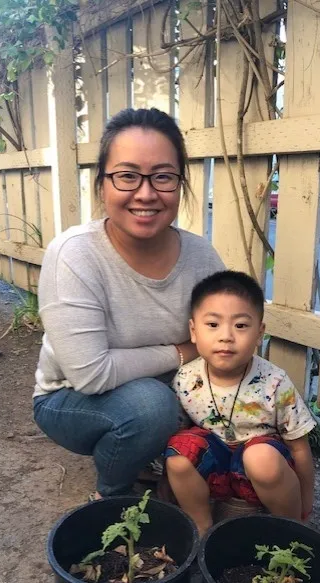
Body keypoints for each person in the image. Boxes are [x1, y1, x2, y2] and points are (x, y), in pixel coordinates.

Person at [33, 108, 224, 499]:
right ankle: (114, 495)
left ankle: (164, 461)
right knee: (151, 406)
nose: (146, 193)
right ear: (102, 184)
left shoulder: (202, 257)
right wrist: (182, 351)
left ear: (180, 184)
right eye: (127, 175)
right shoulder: (74, 255)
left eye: (163, 176)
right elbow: (91, 375)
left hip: (172, 388)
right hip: (71, 397)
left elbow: (222, 339)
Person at [165, 270, 315, 536]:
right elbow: (180, 438)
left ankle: (289, 531)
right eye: (212, 325)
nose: (226, 336)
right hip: (216, 470)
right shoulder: (186, 379)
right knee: (178, 451)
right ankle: (200, 528)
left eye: (241, 326)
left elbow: (299, 448)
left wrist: (305, 504)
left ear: (259, 333)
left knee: (260, 457)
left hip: (260, 472)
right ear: (193, 331)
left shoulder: (275, 383)